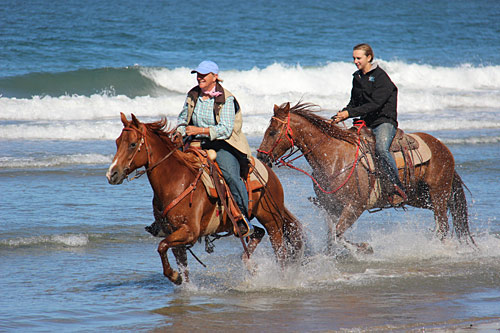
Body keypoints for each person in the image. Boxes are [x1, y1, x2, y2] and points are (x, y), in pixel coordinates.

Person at [177, 60, 254, 237]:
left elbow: (225, 129)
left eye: (204, 75)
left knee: (230, 175)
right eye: (198, 74)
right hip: (195, 142)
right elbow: (182, 118)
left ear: (215, 77)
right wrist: (180, 132)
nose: (200, 78)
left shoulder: (226, 99)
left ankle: (243, 217)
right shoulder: (193, 95)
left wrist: (200, 130)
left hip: (223, 144)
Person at [332, 43, 407, 203]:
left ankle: (397, 187)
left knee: (381, 148)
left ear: (369, 58)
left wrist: (350, 113)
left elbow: (375, 104)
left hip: (383, 122)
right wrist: (341, 115)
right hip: (365, 122)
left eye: (358, 58)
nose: (355, 61)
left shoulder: (381, 77)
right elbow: (354, 103)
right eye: (353, 58)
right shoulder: (357, 77)